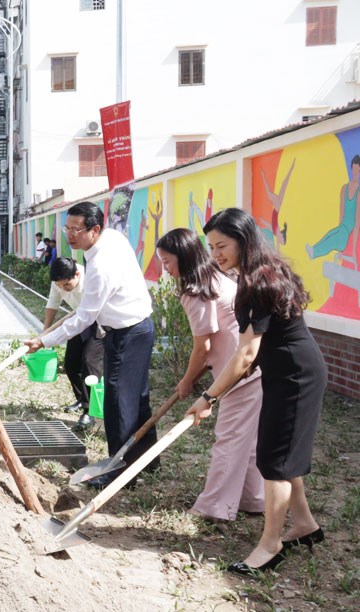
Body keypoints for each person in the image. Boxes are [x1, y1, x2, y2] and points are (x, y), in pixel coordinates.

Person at [187, 208, 326, 575]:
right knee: (280, 455)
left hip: (296, 377)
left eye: (222, 245)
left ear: (243, 241)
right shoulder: (258, 274)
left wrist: (208, 397)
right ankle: (305, 526)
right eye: (211, 247)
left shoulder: (258, 283)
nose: (215, 254)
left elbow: (246, 352)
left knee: (274, 462)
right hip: (284, 373)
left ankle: (271, 544)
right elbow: (249, 353)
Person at [24, 201, 157, 487]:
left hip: (127, 333)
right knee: (138, 397)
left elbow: (84, 317)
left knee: (118, 402)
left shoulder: (99, 266)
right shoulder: (111, 238)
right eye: (67, 228)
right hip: (139, 326)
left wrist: (44, 341)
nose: (70, 235)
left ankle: (118, 472)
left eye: (77, 229)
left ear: (95, 229)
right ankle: (148, 460)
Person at [156, 228, 265, 521]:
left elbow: (202, 347)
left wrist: (188, 381)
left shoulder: (196, 292)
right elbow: (214, 340)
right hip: (247, 367)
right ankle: (253, 499)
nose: (164, 269)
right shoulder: (217, 277)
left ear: (184, 257)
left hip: (239, 371)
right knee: (245, 437)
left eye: (167, 262)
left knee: (229, 438)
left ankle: (214, 507)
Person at [45, 257, 103, 431]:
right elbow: (53, 303)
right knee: (71, 364)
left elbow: (91, 314)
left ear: (77, 274)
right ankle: (82, 398)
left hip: (100, 320)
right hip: (78, 319)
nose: (63, 289)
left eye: (67, 286)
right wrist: (45, 331)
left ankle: (90, 410)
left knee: (89, 362)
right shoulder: (59, 281)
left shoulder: (90, 279)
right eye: (60, 286)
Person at [306, 154, 359, 259]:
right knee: (330, 234)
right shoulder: (344, 188)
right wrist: (340, 249)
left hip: (348, 233)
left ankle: (314, 252)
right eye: (353, 169)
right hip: (341, 229)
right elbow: (341, 215)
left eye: (357, 170)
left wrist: (353, 250)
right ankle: (313, 250)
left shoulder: (359, 193)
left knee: (333, 239)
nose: (354, 172)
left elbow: (357, 221)